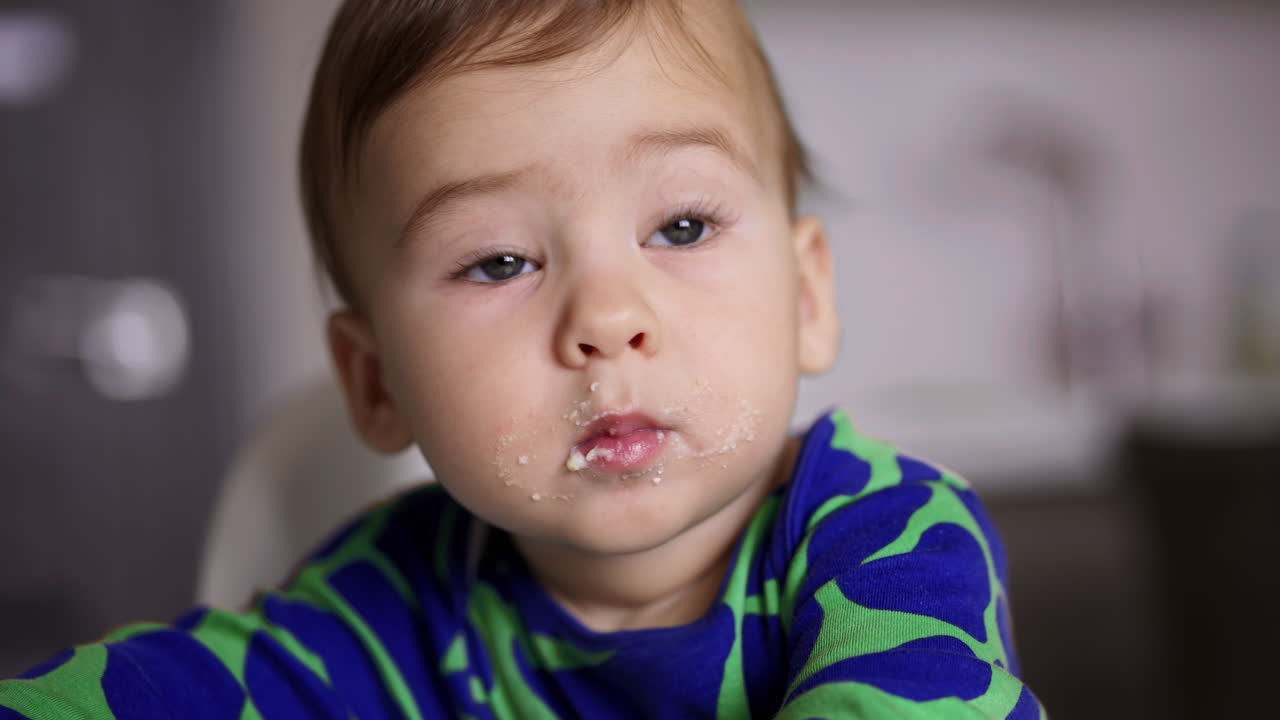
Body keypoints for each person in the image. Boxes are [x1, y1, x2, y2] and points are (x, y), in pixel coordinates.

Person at [0, 0, 1046, 717]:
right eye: (498, 261)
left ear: (807, 294)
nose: (605, 317)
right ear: (375, 383)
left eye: (679, 227)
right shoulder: (395, 604)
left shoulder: (887, 538)